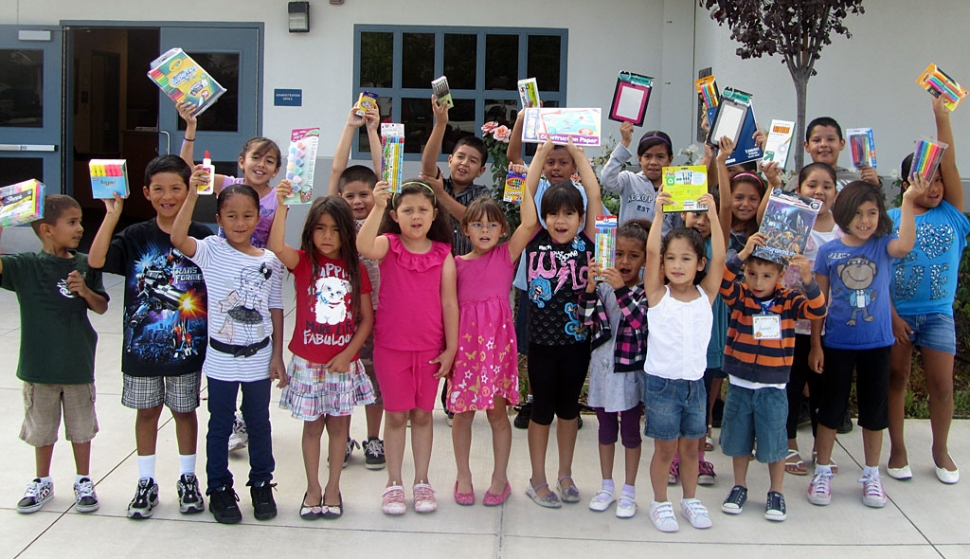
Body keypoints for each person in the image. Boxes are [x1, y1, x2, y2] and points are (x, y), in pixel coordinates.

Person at [87, 155, 209, 519]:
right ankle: (146, 481)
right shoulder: (136, 235)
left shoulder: (202, 235)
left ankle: (188, 479)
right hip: (140, 349)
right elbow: (95, 261)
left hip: (187, 348)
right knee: (146, 413)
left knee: (185, 412)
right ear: (146, 192)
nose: (167, 196)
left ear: (190, 190)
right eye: (159, 189)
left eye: (176, 188)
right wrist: (111, 213)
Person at [171, 180, 286, 524]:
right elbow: (178, 239)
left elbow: (276, 307)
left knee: (259, 423)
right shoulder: (210, 249)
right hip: (220, 356)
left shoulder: (270, 260)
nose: (240, 222)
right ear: (219, 218)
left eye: (247, 215)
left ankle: (262, 483)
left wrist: (277, 355)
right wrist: (192, 194)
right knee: (219, 425)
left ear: (257, 218)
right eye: (231, 215)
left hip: (259, 357)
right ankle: (219, 488)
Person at [809, 178, 926, 508]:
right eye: (858, 213)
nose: (865, 220)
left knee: (874, 412)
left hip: (877, 344)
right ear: (844, 213)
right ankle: (822, 470)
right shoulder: (829, 252)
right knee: (831, 409)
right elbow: (819, 301)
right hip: (837, 344)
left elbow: (904, 245)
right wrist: (816, 345)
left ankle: (871, 474)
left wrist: (908, 199)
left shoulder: (883, 245)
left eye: (872, 213)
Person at [179, 102, 284, 453]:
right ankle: (229, 413)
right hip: (222, 273)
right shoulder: (230, 184)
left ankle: (247, 415)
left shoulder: (277, 195)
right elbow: (185, 175)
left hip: (257, 274)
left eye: (270, 161)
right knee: (222, 333)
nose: (262, 164)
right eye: (257, 157)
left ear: (276, 170)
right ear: (242, 161)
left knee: (252, 335)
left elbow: (274, 245)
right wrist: (190, 129)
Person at [269, 189, 375, 519]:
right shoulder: (303, 261)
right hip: (308, 364)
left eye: (334, 229)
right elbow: (275, 247)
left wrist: (348, 354)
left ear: (346, 232)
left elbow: (367, 319)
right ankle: (313, 487)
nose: (327, 237)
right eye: (320, 228)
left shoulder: (355, 266)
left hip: (342, 365)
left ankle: (333, 487)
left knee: (340, 429)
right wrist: (282, 206)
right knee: (313, 428)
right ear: (310, 230)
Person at [357, 180, 459, 515]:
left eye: (422, 210)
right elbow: (363, 245)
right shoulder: (388, 244)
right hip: (391, 347)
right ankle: (394, 483)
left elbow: (449, 303)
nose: (416, 216)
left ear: (434, 216)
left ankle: (422, 480)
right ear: (395, 215)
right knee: (397, 415)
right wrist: (376, 205)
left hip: (430, 348)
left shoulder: (443, 252)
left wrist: (451, 348)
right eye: (407, 210)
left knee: (423, 415)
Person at [3, 195, 109, 514]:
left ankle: (83, 480)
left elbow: (102, 306)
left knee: (81, 428)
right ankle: (42, 480)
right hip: (39, 366)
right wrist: (4, 216)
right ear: (47, 230)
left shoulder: (85, 264)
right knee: (42, 429)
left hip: (77, 364)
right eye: (72, 222)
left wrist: (84, 290)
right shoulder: (25, 265)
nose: (80, 228)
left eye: (80, 221)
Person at [718, 233, 828, 522]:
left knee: (774, 442)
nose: (757, 282)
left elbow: (818, 309)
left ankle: (775, 492)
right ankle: (739, 485)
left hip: (773, 386)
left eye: (766, 275)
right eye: (751, 274)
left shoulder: (788, 300)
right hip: (741, 383)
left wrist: (808, 278)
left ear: (780, 275)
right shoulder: (740, 296)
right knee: (739, 440)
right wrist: (741, 255)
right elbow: (723, 281)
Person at [887, 96, 968, 485]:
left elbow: (949, 163)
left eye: (938, 179)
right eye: (925, 178)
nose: (935, 186)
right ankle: (898, 449)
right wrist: (891, 314)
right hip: (898, 313)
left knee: (941, 385)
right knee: (896, 378)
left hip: (937, 314)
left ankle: (940, 449)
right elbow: (878, 269)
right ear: (907, 184)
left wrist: (941, 116)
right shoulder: (890, 218)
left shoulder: (951, 212)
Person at [521, 140, 603, 509]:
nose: (560, 220)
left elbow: (594, 191)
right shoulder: (534, 237)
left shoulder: (589, 241)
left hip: (576, 344)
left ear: (580, 217)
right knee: (541, 411)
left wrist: (579, 150)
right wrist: (540, 153)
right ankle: (537, 479)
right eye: (554, 213)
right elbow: (528, 189)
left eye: (570, 213)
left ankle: (565, 473)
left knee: (569, 409)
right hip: (541, 343)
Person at [643, 190, 724, 533]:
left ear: (699, 263)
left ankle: (690, 500)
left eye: (686, 259)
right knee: (665, 450)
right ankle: (660, 503)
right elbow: (650, 252)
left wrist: (714, 214)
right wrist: (659, 215)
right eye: (671, 259)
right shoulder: (657, 295)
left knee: (692, 448)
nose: (677, 265)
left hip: (695, 384)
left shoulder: (706, 295)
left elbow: (720, 258)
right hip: (662, 384)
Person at [756, 162, 843, 476]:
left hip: (827, 323)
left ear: (836, 192)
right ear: (799, 190)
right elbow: (763, 225)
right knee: (789, 386)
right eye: (812, 185)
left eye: (827, 186)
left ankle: (822, 449)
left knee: (823, 386)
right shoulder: (791, 221)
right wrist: (772, 185)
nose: (819, 191)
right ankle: (789, 443)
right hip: (789, 322)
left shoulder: (843, 229)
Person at [449, 197, 532, 507]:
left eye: (492, 224)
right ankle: (463, 475)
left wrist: (526, 178)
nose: (485, 230)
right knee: (463, 413)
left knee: (498, 413)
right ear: (465, 228)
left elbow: (529, 223)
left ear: (502, 230)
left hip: (496, 349)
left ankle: (500, 477)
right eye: (478, 224)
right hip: (466, 350)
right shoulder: (454, 265)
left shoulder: (505, 255)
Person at [506, 111, 586, 430]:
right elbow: (514, 156)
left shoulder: (580, 197)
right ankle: (532, 399)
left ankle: (567, 402)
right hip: (534, 284)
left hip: (571, 290)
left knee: (569, 348)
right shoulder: (536, 189)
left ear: (574, 166)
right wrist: (523, 121)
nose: (555, 167)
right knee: (530, 346)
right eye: (550, 161)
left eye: (562, 161)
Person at [419, 96, 490, 423]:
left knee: (459, 338)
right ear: (450, 159)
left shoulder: (481, 197)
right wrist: (441, 123)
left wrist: (442, 195)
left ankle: (453, 397)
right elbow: (426, 163)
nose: (464, 163)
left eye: (472, 160)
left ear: (482, 169)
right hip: (430, 277)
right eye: (460, 156)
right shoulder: (435, 180)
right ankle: (422, 397)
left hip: (465, 281)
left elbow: (472, 221)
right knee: (431, 335)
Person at [327, 104, 387, 469]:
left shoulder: (383, 219)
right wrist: (350, 126)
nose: (358, 201)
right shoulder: (335, 222)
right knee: (344, 378)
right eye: (350, 196)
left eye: (364, 194)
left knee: (375, 376)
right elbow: (336, 172)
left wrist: (372, 131)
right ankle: (344, 436)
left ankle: (374, 438)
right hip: (341, 314)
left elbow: (385, 174)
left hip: (380, 312)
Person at [581, 220, 650, 518]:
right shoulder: (605, 286)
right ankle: (607, 485)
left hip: (630, 372)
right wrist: (591, 286)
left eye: (633, 256)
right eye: (619, 253)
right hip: (602, 368)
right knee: (605, 429)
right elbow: (587, 320)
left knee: (631, 432)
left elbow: (638, 323)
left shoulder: (648, 291)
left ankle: (629, 490)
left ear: (646, 259)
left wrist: (620, 290)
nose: (624, 261)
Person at [600, 123, 680, 234]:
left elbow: (677, 229)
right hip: (630, 248)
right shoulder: (629, 180)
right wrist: (624, 143)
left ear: (670, 159)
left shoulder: (676, 189)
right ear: (639, 158)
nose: (653, 162)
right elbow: (606, 179)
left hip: (660, 250)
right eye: (647, 156)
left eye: (660, 157)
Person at [783, 117, 882, 192]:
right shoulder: (796, 182)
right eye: (817, 140)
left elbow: (879, 213)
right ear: (807, 146)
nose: (824, 144)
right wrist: (773, 184)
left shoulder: (857, 180)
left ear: (841, 144)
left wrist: (875, 186)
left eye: (830, 139)